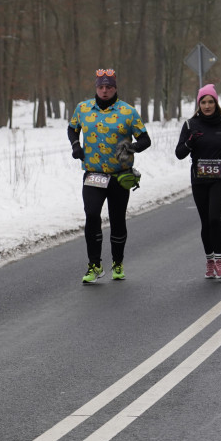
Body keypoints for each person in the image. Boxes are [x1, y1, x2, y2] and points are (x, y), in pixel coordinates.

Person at [68, 68, 151, 283]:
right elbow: (72, 128)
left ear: (115, 88)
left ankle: (118, 262)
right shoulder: (83, 108)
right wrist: (76, 145)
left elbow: (145, 139)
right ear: (96, 87)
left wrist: (131, 148)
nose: (105, 91)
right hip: (93, 175)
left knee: (117, 219)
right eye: (101, 87)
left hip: (119, 175)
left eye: (109, 87)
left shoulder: (128, 112)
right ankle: (94, 264)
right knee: (92, 215)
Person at [175, 84, 221, 278]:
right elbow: (179, 153)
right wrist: (189, 142)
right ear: (199, 104)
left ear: (216, 103)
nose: (207, 106)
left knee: (215, 217)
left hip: (220, 178)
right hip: (199, 179)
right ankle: (209, 261)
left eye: (210, 102)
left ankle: (220, 261)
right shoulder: (190, 125)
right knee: (205, 221)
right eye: (203, 102)